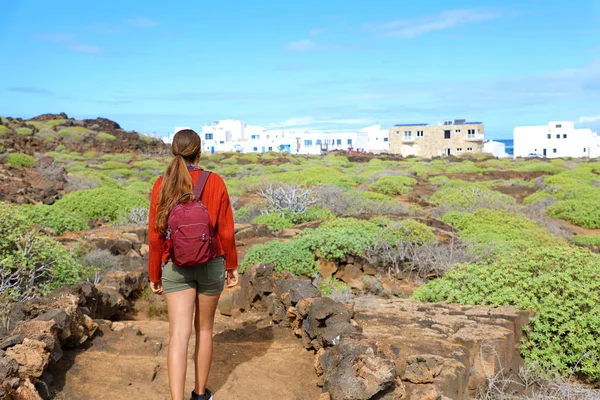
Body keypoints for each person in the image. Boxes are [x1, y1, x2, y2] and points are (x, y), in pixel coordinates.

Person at [148, 129, 238, 400]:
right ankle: (200, 395)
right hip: (211, 264)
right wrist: (232, 266)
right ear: (200, 152)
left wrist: (155, 274)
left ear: (173, 151)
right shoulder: (216, 182)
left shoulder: (161, 184)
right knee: (205, 329)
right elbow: (227, 232)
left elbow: (154, 236)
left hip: (175, 267)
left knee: (178, 335)